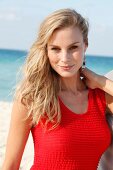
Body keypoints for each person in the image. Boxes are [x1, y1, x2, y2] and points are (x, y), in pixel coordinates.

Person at [2, 8, 113, 170]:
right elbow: (11, 165)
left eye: (73, 47)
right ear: (46, 50)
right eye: (55, 49)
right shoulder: (33, 97)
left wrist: (100, 81)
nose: (65, 58)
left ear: (86, 45)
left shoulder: (101, 97)